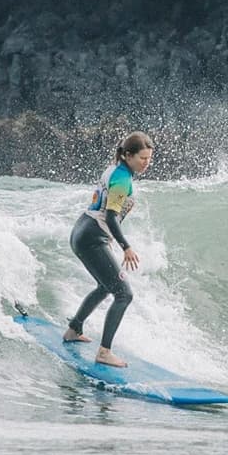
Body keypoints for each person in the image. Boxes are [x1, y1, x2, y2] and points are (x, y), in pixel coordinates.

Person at [64, 131, 155, 367]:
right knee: (124, 295)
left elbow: (104, 210)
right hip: (92, 237)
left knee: (105, 287)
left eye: (149, 158)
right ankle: (104, 352)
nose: (146, 163)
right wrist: (126, 247)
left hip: (83, 230)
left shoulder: (115, 169)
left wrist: (108, 236)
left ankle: (74, 329)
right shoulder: (123, 179)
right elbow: (112, 217)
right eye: (142, 158)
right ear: (128, 155)